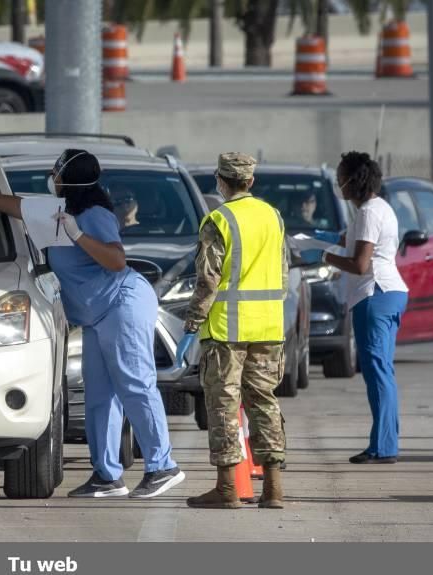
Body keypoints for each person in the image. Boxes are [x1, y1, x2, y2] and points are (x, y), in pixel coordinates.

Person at [0, 149, 185, 499]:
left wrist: (77, 235)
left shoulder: (93, 215)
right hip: (96, 314)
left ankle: (162, 466)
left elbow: (117, 260)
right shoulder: (57, 212)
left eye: (56, 170)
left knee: (135, 384)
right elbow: (15, 205)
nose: (51, 174)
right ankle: (107, 476)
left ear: (67, 177)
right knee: (99, 396)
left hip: (122, 302)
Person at [175, 152, 288, 509]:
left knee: (223, 406)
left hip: (226, 330)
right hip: (268, 327)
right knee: (264, 403)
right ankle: (273, 487)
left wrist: (192, 323)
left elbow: (207, 280)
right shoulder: (273, 216)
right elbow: (283, 270)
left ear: (220, 181)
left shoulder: (218, 219)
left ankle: (226, 487)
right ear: (251, 181)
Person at [321, 151, 408, 464]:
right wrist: (329, 239)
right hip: (387, 293)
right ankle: (385, 442)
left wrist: (325, 256)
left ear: (352, 181)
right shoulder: (377, 209)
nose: (337, 182)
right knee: (382, 371)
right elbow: (355, 241)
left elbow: (359, 264)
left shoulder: (370, 212)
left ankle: (383, 448)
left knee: (378, 373)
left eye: (340, 175)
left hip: (375, 294)